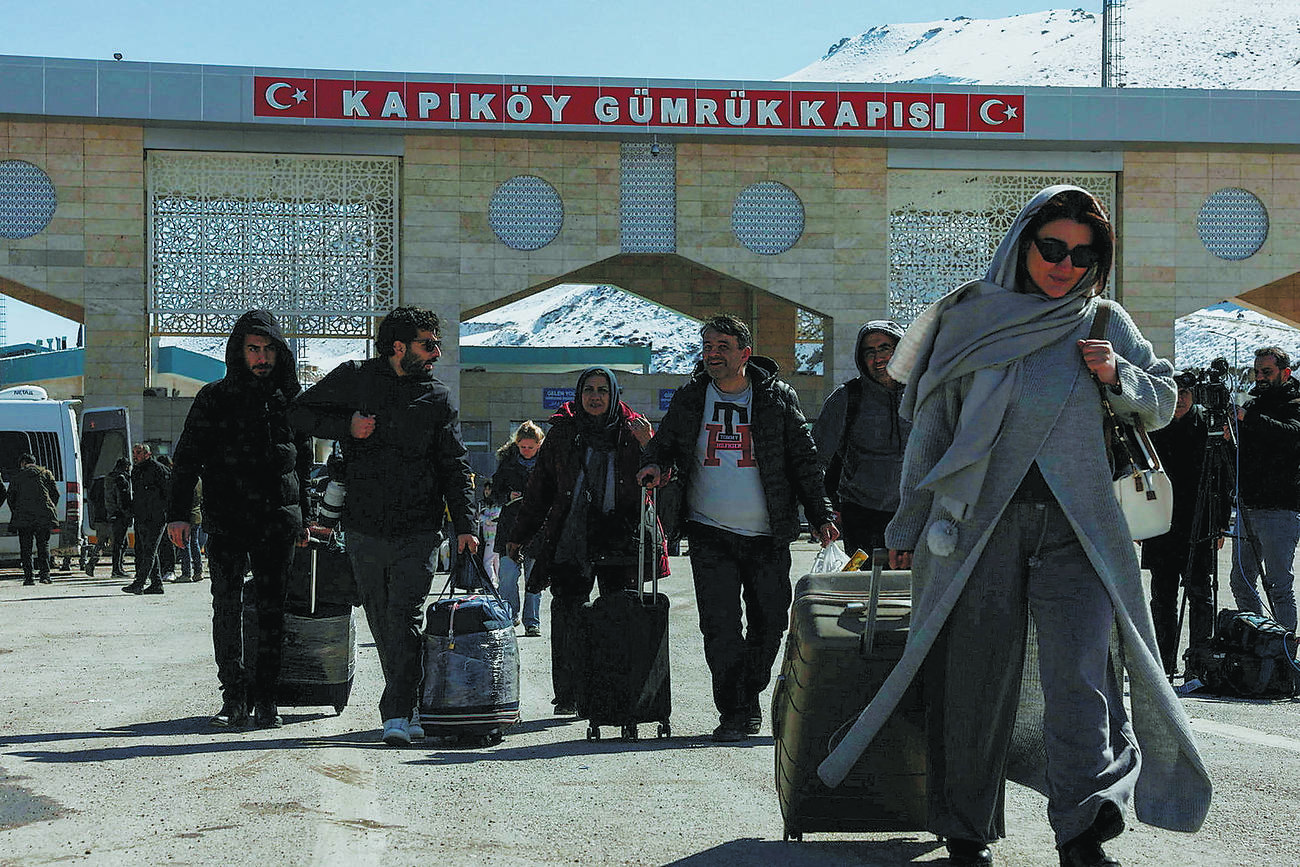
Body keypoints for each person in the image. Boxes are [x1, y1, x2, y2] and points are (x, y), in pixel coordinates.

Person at [823, 186, 1210, 867]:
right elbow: (932, 428)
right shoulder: (969, 316)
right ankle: (965, 832)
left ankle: (1082, 831)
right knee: (971, 680)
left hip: (1079, 532)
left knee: (1082, 681)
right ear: (1022, 244)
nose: (1065, 265)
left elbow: (1164, 399)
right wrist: (907, 523)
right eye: (1052, 248)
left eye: (1082, 255)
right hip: (974, 528)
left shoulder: (1102, 319)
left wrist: (1118, 374)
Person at [638, 315, 838, 742]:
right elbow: (664, 443)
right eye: (708, 346)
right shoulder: (692, 397)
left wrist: (821, 514)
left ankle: (748, 693)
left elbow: (804, 459)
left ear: (745, 353)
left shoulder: (776, 397)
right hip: (709, 531)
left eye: (723, 346)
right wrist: (653, 463)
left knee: (770, 622)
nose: (713, 354)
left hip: (768, 534)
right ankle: (734, 711)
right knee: (720, 627)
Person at [290, 305, 478, 748]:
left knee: (405, 615)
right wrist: (347, 426)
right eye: (427, 345)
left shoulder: (437, 397)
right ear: (398, 347)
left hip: (419, 527)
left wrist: (465, 524)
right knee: (380, 617)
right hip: (364, 527)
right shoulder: (355, 377)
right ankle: (410, 702)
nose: (436, 354)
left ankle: (398, 710)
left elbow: (454, 464)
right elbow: (298, 414)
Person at [167, 310, 313, 729]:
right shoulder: (213, 398)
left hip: (277, 520)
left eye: (268, 349)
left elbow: (303, 463)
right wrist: (178, 515)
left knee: (272, 611)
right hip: (228, 518)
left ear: (279, 352)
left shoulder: (291, 400)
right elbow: (187, 459)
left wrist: (304, 517)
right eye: (253, 349)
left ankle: (266, 699)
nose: (261, 357)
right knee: (226, 606)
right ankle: (233, 697)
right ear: (239, 351)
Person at [508, 366, 658, 715]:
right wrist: (519, 535)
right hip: (572, 537)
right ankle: (569, 695)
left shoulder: (633, 429)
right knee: (568, 617)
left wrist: (649, 445)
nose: (595, 396)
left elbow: (662, 477)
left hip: (620, 537)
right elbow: (540, 489)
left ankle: (613, 694)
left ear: (614, 394)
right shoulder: (563, 432)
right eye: (589, 389)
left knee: (617, 615)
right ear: (579, 394)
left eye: (603, 390)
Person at [1141, 378, 1231, 676]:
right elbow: (1139, 477)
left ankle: (1199, 663)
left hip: (1199, 521)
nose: (1180, 399)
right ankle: (1163, 662)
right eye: (1175, 392)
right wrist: (1140, 522)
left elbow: (1222, 480)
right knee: (1162, 596)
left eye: (1185, 393)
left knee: (1200, 594)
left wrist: (1220, 522)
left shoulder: (1206, 427)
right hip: (1161, 523)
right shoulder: (1154, 425)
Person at [812, 319, 911, 556]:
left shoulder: (924, 394)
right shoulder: (846, 398)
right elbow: (814, 460)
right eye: (870, 352)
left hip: (916, 515)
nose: (878, 358)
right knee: (864, 580)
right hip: (862, 517)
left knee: (913, 581)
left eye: (885, 348)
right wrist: (819, 513)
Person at [1228, 346, 1300, 633]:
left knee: (1278, 586)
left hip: (1280, 509)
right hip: (1248, 506)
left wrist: (1248, 419)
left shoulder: (1294, 402)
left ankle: (1283, 650)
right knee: (1241, 581)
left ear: (1286, 372)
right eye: (1257, 372)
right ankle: (1258, 642)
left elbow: (1290, 434)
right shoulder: (1253, 404)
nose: (1260, 377)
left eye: (1267, 372)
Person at [490, 420, 546, 636]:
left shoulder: (548, 463)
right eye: (522, 446)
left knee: (534, 579)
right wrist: (508, 496)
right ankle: (509, 616)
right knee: (507, 577)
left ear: (539, 444)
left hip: (538, 529)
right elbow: (494, 493)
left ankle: (532, 622)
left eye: (531, 447)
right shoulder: (507, 463)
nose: (526, 451)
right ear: (516, 444)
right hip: (510, 528)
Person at [123, 443, 171, 595]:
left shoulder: (159, 469)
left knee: (150, 550)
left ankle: (139, 583)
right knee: (148, 550)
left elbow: (168, 493)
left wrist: (166, 512)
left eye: (138, 452)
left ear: (147, 454)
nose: (135, 456)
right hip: (142, 516)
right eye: (134, 453)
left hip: (157, 516)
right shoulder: (136, 471)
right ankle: (156, 584)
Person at [8, 453, 59, 586]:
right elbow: (55, 494)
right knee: (43, 545)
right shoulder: (46, 474)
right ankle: (45, 575)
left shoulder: (17, 477)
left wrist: (17, 511)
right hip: (43, 517)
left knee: (26, 548)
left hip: (24, 517)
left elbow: (11, 498)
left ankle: (29, 577)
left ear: (23, 463)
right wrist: (49, 508)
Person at [103, 457, 133, 578]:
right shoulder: (121, 479)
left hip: (112, 513)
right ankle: (117, 569)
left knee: (121, 542)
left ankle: (118, 568)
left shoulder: (109, 478)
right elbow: (123, 499)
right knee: (120, 543)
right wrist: (128, 513)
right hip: (120, 515)